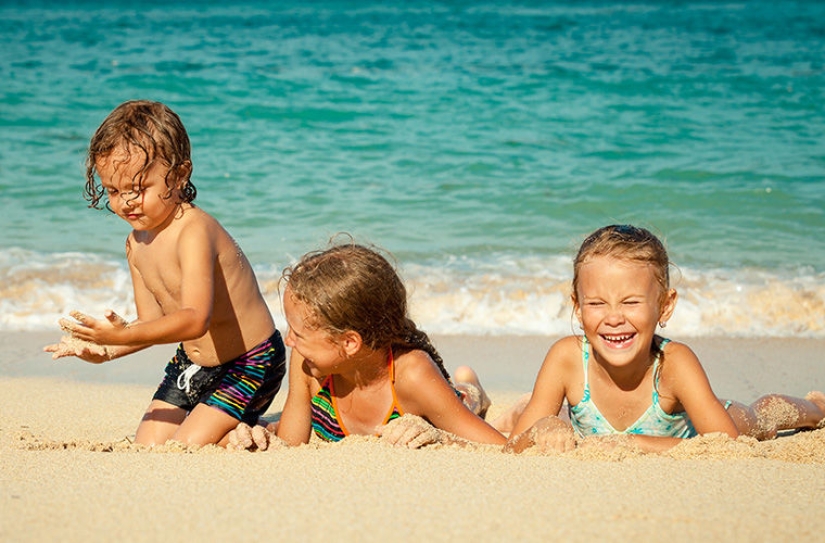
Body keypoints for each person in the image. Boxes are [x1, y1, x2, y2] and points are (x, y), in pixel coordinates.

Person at [43, 100, 286, 447]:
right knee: (148, 445)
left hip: (250, 362)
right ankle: (225, 422)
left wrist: (117, 337)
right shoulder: (135, 244)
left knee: (186, 446)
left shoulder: (193, 231)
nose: (126, 201)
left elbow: (194, 320)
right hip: (191, 363)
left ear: (180, 174)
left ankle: (249, 428)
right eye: (114, 190)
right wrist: (107, 350)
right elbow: (151, 323)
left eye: (139, 188)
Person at [505, 224, 825, 454]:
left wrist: (636, 443)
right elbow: (512, 447)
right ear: (577, 306)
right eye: (596, 303)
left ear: (664, 305)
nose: (614, 317)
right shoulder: (567, 358)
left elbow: (726, 446)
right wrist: (540, 429)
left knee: (761, 418)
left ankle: (816, 406)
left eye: (631, 302)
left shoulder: (674, 363)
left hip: (719, 419)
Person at [227, 242, 505, 451]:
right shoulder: (307, 364)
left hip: (441, 395)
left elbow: (499, 447)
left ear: (349, 342)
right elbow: (289, 446)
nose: (288, 341)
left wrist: (440, 437)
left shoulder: (413, 375)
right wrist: (259, 437)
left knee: (464, 400)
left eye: (298, 334)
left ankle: (472, 387)